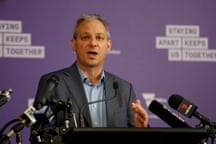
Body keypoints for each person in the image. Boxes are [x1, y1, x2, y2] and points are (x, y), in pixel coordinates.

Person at [30, 13, 149, 143]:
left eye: (99, 38)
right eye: (85, 37)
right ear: (73, 44)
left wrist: (142, 130)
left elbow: (137, 138)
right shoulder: (53, 83)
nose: (93, 43)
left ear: (108, 45)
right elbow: (38, 134)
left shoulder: (124, 89)